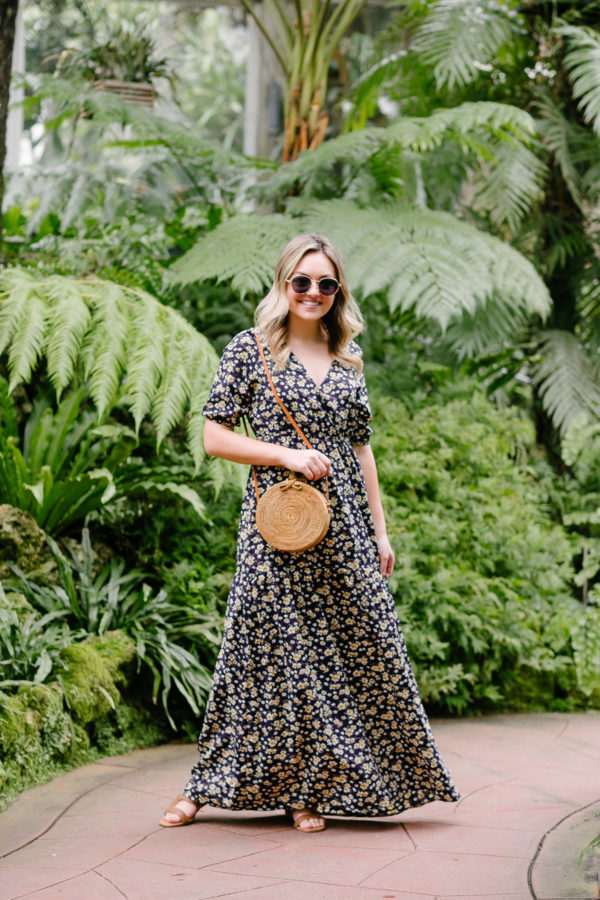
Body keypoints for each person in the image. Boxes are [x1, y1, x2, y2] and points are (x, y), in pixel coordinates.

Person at [159, 233, 459, 834]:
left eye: (327, 283)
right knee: (264, 653)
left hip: (344, 526)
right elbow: (214, 436)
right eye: (302, 282)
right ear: (283, 286)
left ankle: (310, 791)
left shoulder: (347, 356)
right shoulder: (251, 352)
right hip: (279, 527)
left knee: (352, 652)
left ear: (338, 290)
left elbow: (361, 449)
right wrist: (288, 456)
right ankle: (205, 786)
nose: (314, 293)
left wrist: (380, 531)